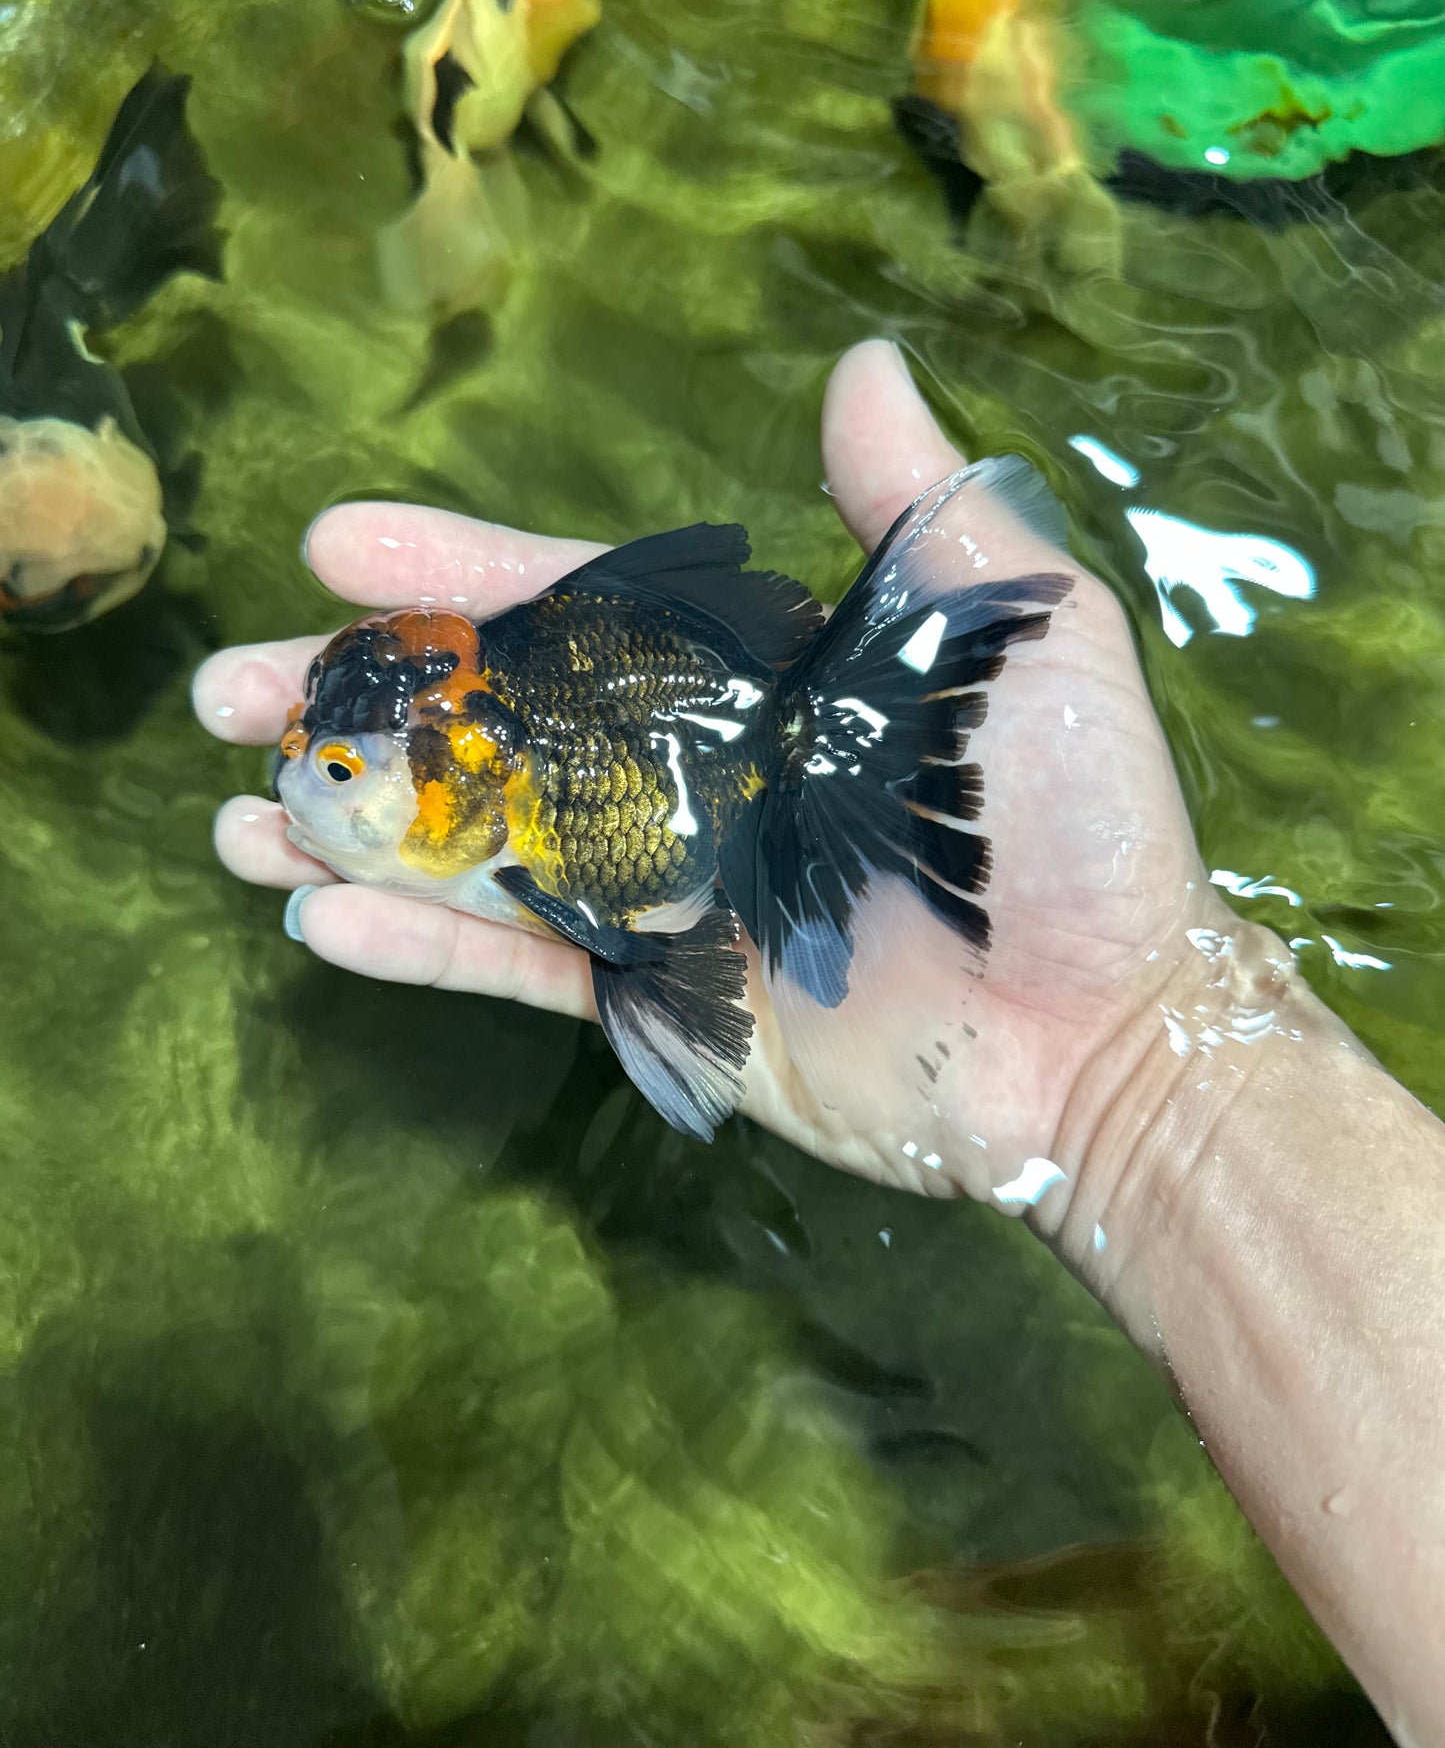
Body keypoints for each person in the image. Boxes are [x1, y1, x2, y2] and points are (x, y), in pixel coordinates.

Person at [194, 340, 1445, 1747]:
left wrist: (1140, 1059)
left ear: (461, 775)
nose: (306, 779)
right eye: (326, 759)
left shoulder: (537, 804)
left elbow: (651, 965)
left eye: (345, 770)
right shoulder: (500, 783)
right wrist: (1145, 1081)